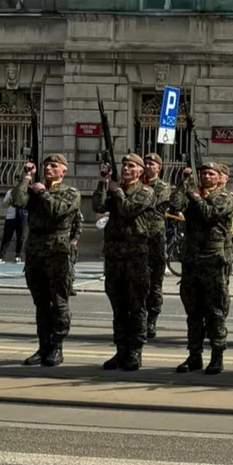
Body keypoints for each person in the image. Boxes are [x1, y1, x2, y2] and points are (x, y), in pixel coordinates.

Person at [13, 155, 80, 367]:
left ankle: (57, 346)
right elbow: (17, 201)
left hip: (57, 253)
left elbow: (58, 211)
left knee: (59, 302)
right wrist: (26, 179)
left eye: (54, 166)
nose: (49, 168)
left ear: (64, 171)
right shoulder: (34, 189)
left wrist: (42, 193)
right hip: (35, 253)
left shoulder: (70, 192)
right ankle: (43, 346)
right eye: (46, 165)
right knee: (41, 303)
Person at [172, 162, 233, 375]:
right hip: (192, 260)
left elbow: (210, 214)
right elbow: (175, 204)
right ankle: (194, 355)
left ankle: (217, 355)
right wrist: (183, 184)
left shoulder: (227, 196)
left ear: (220, 177)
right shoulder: (193, 193)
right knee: (193, 311)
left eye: (211, 173)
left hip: (214, 260)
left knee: (215, 310)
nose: (206, 177)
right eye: (202, 173)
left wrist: (195, 196)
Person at [93, 154, 155, 372]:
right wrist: (103, 182)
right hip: (114, 257)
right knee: (118, 308)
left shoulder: (146, 191)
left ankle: (135, 351)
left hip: (135, 257)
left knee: (136, 307)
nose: (126, 169)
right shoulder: (114, 189)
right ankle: (120, 350)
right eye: (124, 165)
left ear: (140, 171)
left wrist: (116, 189)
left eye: (131, 166)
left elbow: (129, 210)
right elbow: (98, 205)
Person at [141, 153, 172, 340]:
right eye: (145, 163)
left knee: (154, 284)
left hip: (154, 240)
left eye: (151, 163)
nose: (147, 165)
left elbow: (148, 203)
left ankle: (151, 319)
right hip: (137, 239)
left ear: (158, 167)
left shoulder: (162, 187)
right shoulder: (136, 184)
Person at [0, 187, 26, 264]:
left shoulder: (26, 192)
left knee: (20, 237)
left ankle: (18, 256)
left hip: (21, 216)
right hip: (10, 217)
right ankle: (1, 256)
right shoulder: (10, 192)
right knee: (6, 237)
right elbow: (4, 205)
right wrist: (10, 199)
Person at [68, 208, 83, 296]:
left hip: (69, 240)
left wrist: (75, 238)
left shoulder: (73, 206)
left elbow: (79, 223)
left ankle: (70, 286)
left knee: (70, 265)